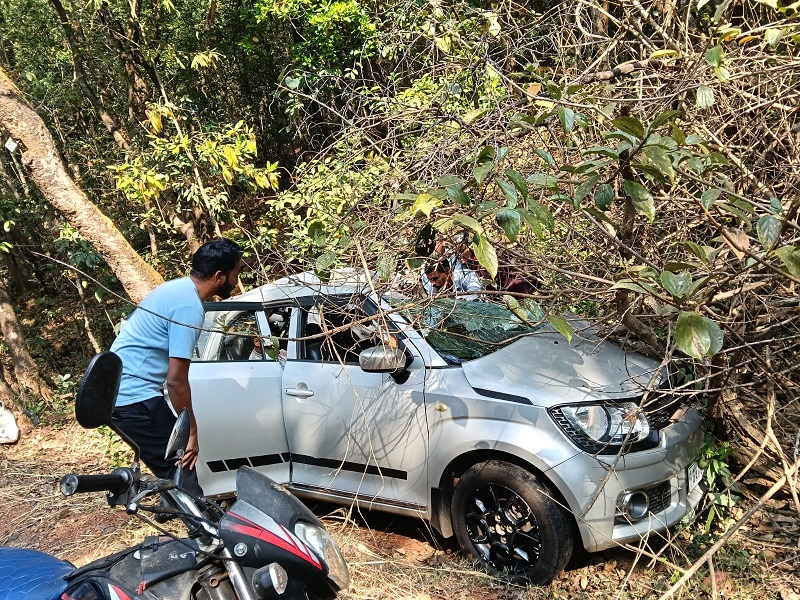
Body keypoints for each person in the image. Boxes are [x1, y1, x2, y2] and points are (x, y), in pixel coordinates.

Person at [110, 238, 243, 497]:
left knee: (174, 469)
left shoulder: (174, 290)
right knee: (181, 467)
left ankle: (176, 510)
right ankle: (206, 532)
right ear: (219, 276)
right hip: (133, 399)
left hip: (120, 393)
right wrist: (192, 432)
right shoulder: (189, 307)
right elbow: (176, 382)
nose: (236, 281)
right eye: (235, 274)